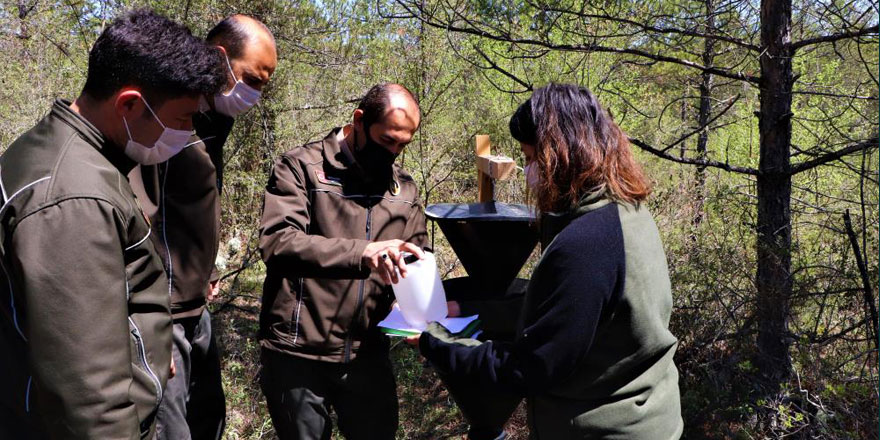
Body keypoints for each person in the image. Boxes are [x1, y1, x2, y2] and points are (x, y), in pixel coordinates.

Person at [0, 9, 227, 439]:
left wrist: (150, 350)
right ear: (129, 104)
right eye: (182, 118)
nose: (188, 131)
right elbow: (90, 399)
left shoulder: (70, 152)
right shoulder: (75, 200)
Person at [416, 83, 684, 439]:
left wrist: (431, 338)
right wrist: (469, 309)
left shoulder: (588, 243)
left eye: (530, 158)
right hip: (649, 418)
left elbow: (532, 367)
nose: (528, 172)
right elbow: (572, 313)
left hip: (604, 428)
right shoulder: (627, 211)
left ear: (562, 153)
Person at [127, 14, 277, 440]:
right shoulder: (163, 118)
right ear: (219, 57)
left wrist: (207, 270)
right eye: (251, 78)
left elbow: (189, 207)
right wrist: (148, 320)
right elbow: (138, 218)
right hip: (161, 309)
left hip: (195, 303)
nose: (255, 93)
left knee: (208, 417)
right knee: (169, 427)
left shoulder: (214, 119)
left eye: (264, 83)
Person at [258, 82, 429, 439]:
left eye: (403, 145)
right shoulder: (301, 167)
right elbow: (277, 242)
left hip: (368, 355)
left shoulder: (405, 190)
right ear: (359, 120)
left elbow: (415, 258)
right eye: (387, 140)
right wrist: (361, 253)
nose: (394, 152)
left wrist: (414, 304)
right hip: (298, 354)